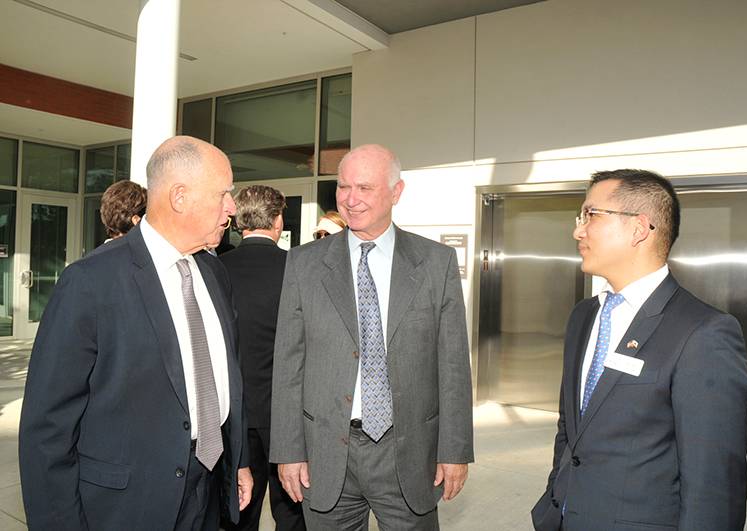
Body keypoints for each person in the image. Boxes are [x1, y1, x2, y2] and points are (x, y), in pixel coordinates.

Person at [19, 136, 253, 531]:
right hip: (127, 506)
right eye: (223, 193)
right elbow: (47, 428)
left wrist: (238, 459)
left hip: (209, 489)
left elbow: (226, 373)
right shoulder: (90, 282)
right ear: (179, 197)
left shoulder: (214, 273)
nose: (232, 207)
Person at [531, 169, 747, 531]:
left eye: (590, 215)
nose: (578, 230)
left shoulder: (703, 333)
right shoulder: (584, 316)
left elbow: (715, 486)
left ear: (639, 228)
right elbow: (570, 428)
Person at [270, 144, 474, 529]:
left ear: (396, 192)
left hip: (410, 454)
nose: (350, 199)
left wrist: (455, 449)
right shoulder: (304, 263)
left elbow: (452, 365)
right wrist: (287, 451)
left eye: (364, 188)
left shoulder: (435, 263)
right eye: (344, 187)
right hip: (325, 453)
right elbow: (288, 363)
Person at [220, 185, 305, 531]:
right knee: (293, 510)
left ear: (240, 221)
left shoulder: (214, 269)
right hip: (288, 414)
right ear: (277, 219)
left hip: (233, 412)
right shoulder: (299, 269)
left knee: (239, 510)